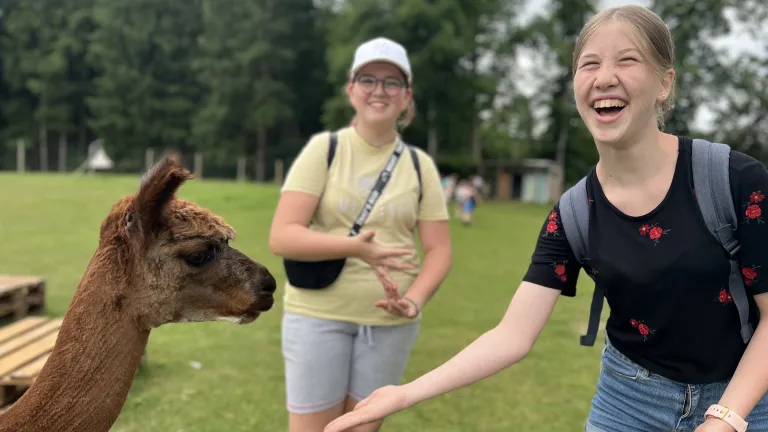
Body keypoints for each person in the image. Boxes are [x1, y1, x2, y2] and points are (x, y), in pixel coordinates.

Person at [324, 6, 768, 432]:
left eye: (627, 61)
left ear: (665, 82)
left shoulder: (732, 180)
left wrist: (724, 418)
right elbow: (512, 335)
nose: (604, 78)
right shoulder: (575, 213)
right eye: (588, 64)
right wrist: (403, 395)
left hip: (745, 397)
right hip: (629, 400)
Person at [269, 36, 452, 432]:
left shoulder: (420, 166)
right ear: (351, 90)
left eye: (392, 83)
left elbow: (439, 251)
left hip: (390, 327)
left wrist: (415, 301)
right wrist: (354, 248)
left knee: (360, 429)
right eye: (368, 79)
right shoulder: (325, 149)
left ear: (406, 97)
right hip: (318, 317)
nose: (379, 91)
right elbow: (282, 236)